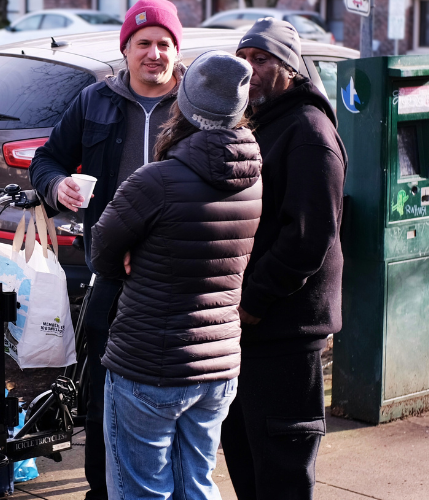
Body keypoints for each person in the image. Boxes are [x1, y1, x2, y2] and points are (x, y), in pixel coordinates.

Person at [27, 1, 184, 497]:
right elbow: (46, 161)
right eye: (144, 43)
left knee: (172, 395)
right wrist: (57, 187)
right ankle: (101, 488)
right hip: (110, 272)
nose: (154, 54)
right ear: (126, 49)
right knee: (103, 392)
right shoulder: (94, 101)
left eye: (164, 44)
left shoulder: (194, 106)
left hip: (178, 278)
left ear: (177, 51)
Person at [90, 50, 261, 500]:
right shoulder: (252, 179)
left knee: (142, 491)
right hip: (218, 364)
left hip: (151, 364)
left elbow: (101, 252)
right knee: (197, 485)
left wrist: (130, 256)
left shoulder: (156, 181)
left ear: (182, 106)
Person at [220, 19, 347, 500]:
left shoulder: (309, 132)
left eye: (261, 59)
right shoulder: (259, 121)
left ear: (290, 68)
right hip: (248, 327)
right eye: (242, 59)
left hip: (285, 328)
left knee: (282, 466)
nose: (248, 69)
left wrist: (254, 299)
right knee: (245, 455)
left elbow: (308, 238)